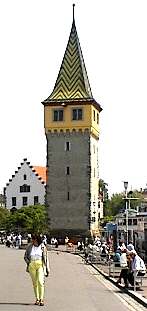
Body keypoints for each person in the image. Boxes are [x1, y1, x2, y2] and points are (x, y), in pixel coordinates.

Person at [24, 234, 50, 306]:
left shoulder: (42, 247)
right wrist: (29, 263)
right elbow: (25, 256)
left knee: (40, 282)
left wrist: (47, 268)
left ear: (37, 240)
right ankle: (37, 299)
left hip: (40, 265)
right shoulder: (29, 247)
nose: (32, 240)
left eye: (34, 239)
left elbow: (46, 258)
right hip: (32, 265)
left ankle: (41, 299)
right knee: (35, 283)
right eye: (32, 239)